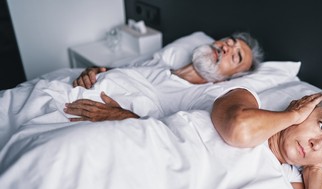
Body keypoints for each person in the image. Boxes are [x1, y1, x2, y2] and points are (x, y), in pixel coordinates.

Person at [64, 32, 263, 122]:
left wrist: (119, 116)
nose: (227, 47)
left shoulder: (201, 95)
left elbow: (170, 134)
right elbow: (117, 71)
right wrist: (93, 71)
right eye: (229, 41)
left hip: (83, 117)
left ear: (227, 79)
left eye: (236, 56)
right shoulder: (158, 65)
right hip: (70, 93)